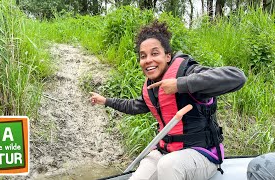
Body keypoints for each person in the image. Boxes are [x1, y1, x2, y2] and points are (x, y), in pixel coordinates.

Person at [90, 20, 247, 180]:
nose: (148, 60)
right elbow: (134, 106)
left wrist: (180, 84)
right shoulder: (152, 88)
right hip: (168, 151)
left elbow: (237, 77)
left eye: (155, 53)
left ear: (167, 56)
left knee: (168, 165)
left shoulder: (188, 72)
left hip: (204, 154)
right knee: (144, 171)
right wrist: (106, 100)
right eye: (143, 56)